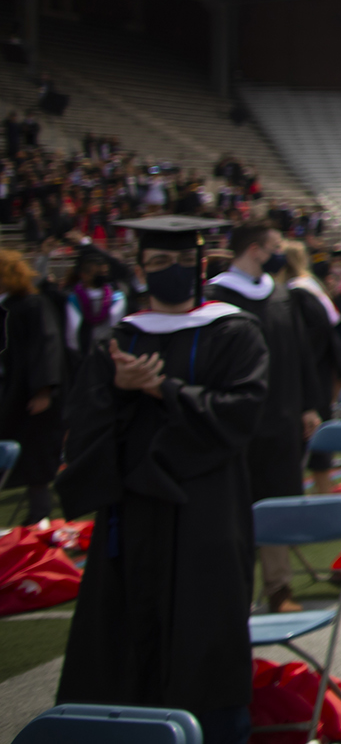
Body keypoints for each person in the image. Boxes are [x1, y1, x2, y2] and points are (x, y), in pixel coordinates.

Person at [59, 216, 270, 744]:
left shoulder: (234, 331)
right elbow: (82, 431)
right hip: (131, 518)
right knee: (126, 633)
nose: (169, 272)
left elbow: (242, 414)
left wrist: (166, 391)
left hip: (206, 512)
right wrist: (117, 388)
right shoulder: (118, 340)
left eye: (178, 263)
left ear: (200, 266)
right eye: (157, 264)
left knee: (204, 634)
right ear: (140, 270)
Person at [207, 221, 324, 614]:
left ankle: (278, 587)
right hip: (234, 419)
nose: (280, 252)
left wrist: (309, 404)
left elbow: (301, 352)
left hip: (282, 416)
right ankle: (231, 590)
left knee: (276, 499)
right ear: (255, 250)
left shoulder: (279, 296)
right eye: (274, 246)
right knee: (232, 505)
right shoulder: (215, 299)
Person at [0, 250, 66, 522]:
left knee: (34, 455)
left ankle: (39, 516)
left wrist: (43, 390)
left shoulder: (31, 305)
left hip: (27, 394)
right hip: (6, 392)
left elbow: (46, 346)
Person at [281, 240, 341, 494]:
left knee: (311, 431)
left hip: (311, 371)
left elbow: (313, 335)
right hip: (322, 368)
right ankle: (323, 487)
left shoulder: (297, 291)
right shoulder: (310, 285)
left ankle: (320, 490)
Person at [63, 246, 127, 369]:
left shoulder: (117, 297)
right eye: (98, 274)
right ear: (84, 275)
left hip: (110, 355)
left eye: (104, 273)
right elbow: (72, 331)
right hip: (84, 354)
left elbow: (117, 326)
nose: (102, 277)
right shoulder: (73, 299)